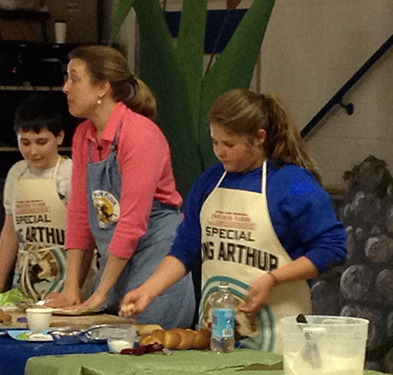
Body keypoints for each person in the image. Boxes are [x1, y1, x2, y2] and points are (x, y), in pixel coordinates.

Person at [120, 89, 347, 352]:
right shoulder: (209, 182)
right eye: (215, 142)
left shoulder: (294, 185)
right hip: (214, 334)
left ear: (259, 138)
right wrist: (148, 290)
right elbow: (186, 249)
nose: (220, 152)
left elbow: (332, 248)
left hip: (278, 338)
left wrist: (272, 279)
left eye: (229, 144)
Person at [46, 45, 195, 329]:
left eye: (74, 78)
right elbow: (79, 216)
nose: (65, 88)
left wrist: (101, 293)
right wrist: (72, 289)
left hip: (155, 265)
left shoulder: (140, 134)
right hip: (116, 265)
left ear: (102, 87)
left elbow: (132, 222)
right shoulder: (83, 136)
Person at [0, 94, 74, 301]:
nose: (33, 151)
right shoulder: (17, 173)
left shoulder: (70, 173)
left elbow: (83, 237)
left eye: (41, 142)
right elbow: (10, 231)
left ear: (59, 137)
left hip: (66, 283)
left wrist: (73, 290)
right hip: (25, 283)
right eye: (25, 143)